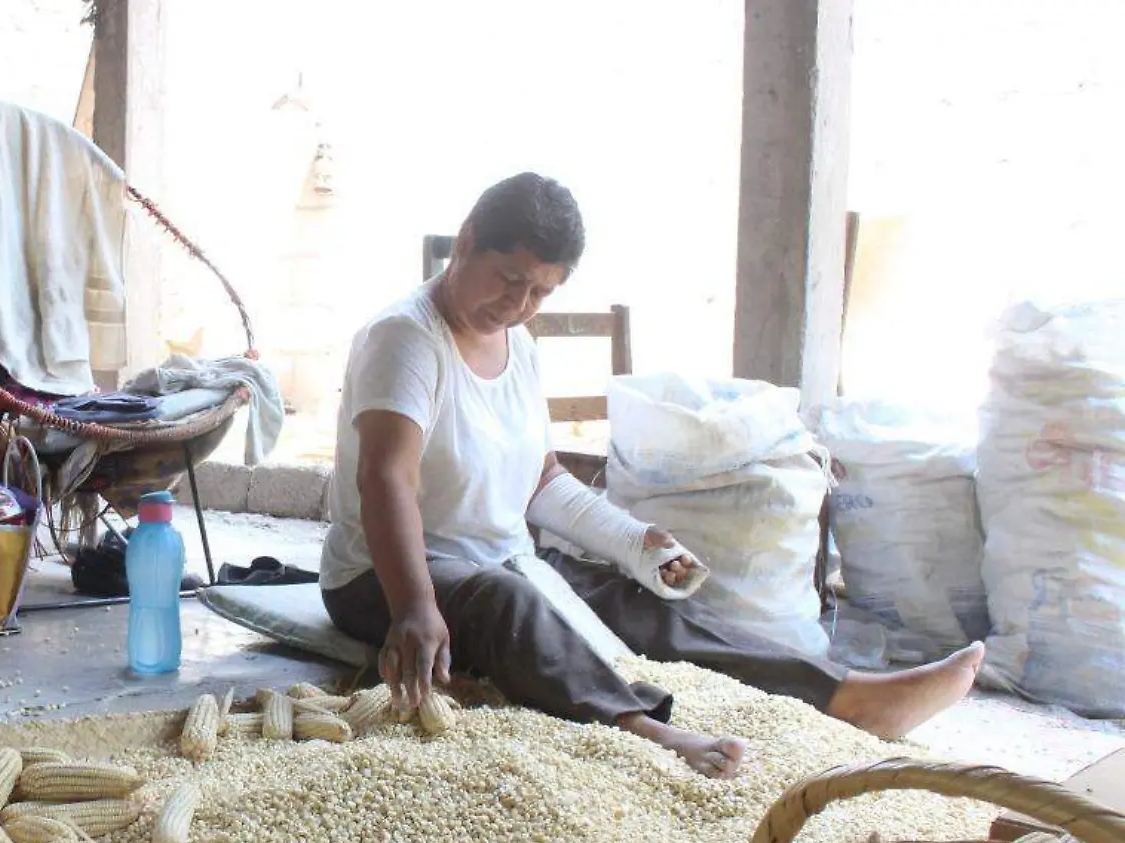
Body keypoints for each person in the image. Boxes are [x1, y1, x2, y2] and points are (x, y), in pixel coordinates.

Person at [321, 172, 984, 778]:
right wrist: (413, 606)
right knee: (507, 603)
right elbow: (385, 479)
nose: (519, 304)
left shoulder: (518, 347)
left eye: (540, 292)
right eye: (507, 278)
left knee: (632, 601)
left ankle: (846, 693)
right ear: (464, 244)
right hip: (380, 575)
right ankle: (640, 723)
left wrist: (636, 543)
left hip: (497, 559)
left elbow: (539, 481)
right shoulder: (406, 339)